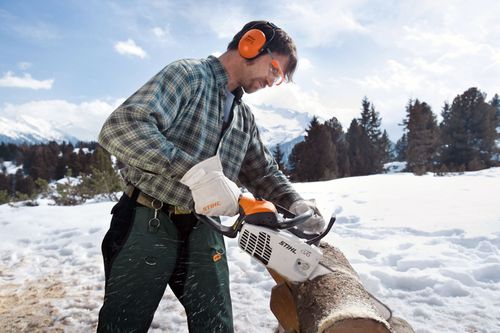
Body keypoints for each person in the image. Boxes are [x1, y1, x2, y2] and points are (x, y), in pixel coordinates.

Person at [96, 20, 325, 333]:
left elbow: (263, 171)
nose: (273, 82)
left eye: (280, 78)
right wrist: (194, 172)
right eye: (273, 69)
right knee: (123, 325)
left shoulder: (243, 117)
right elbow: (122, 129)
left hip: (205, 229)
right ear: (251, 44)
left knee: (216, 325)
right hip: (147, 222)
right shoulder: (188, 76)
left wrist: (294, 202)